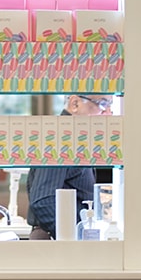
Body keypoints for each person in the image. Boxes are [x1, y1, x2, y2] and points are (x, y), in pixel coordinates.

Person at [26, 93, 113, 239]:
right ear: (75, 104)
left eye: (111, 106)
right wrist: (73, 238)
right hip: (55, 242)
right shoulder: (61, 138)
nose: (108, 113)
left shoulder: (76, 139)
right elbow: (43, 200)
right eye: (103, 104)